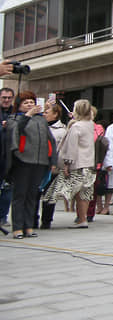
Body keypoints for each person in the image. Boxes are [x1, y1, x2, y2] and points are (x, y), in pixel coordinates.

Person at [4, 91, 57, 238]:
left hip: (39, 162)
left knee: (32, 196)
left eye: (31, 102)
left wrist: (52, 160)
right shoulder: (14, 118)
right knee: (20, 195)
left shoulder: (40, 120)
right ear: (19, 106)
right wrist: (27, 116)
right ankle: (17, 228)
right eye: (26, 103)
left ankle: (28, 226)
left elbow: (50, 140)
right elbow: (15, 131)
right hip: (23, 161)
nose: (29, 105)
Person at [50, 99, 97, 229]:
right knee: (86, 192)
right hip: (89, 162)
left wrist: (66, 164)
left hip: (78, 163)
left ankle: (81, 219)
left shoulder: (76, 127)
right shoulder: (90, 124)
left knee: (78, 193)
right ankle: (84, 218)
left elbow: (71, 147)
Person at [39, 102, 67, 229]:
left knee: (50, 195)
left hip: (53, 167)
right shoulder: (40, 126)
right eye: (44, 112)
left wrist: (57, 165)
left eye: (47, 112)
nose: (44, 114)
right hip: (38, 165)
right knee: (35, 194)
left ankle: (46, 221)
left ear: (56, 114)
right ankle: (32, 219)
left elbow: (62, 151)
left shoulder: (62, 130)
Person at [0, 87, 16, 226]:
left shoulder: (15, 113)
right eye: (4, 97)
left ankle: (3, 216)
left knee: (7, 189)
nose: (6, 100)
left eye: (9, 98)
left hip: (9, 158)